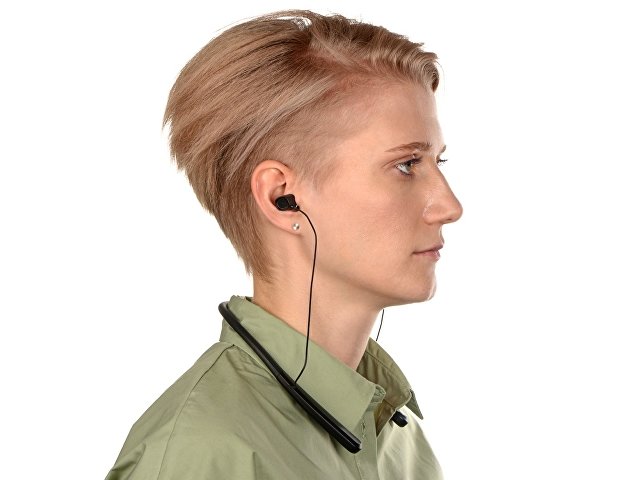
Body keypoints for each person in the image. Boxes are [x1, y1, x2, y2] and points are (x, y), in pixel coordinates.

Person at [105, 9, 463, 480]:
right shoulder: (203, 452)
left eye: (439, 162)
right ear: (282, 197)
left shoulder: (399, 437)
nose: (449, 206)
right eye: (406, 165)